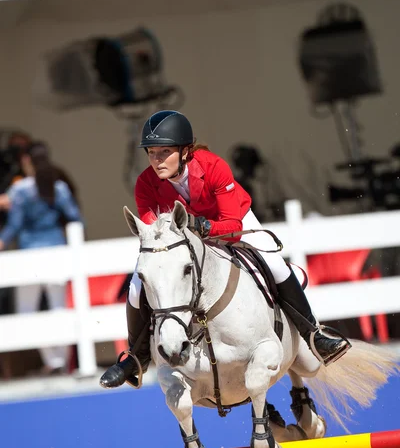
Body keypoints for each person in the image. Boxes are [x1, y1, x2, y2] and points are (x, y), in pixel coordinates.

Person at [100, 110, 350, 389]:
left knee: (275, 263)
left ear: (184, 151)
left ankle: (313, 335)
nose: (156, 160)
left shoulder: (213, 167)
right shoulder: (145, 183)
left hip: (233, 224)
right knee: (137, 286)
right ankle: (137, 357)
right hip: (186, 239)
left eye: (164, 152)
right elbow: (153, 233)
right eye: (152, 153)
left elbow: (231, 221)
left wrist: (202, 227)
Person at [0, 141, 82, 375]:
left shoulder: (21, 190)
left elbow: (14, 225)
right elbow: (75, 217)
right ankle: (61, 361)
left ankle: (52, 361)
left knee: (28, 310)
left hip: (30, 256)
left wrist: (2, 241)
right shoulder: (59, 188)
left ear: (27, 161)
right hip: (58, 251)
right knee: (59, 308)